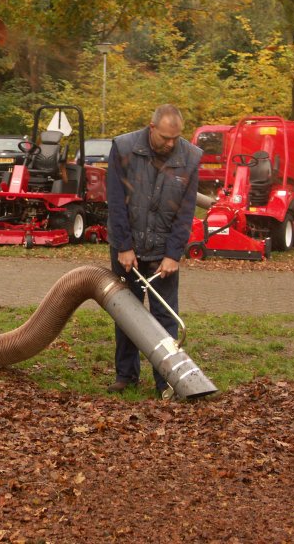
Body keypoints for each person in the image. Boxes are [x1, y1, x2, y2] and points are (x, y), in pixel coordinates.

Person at [105, 104, 201, 399]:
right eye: (165, 138)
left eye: (176, 138)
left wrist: (173, 254)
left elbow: (186, 212)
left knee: (165, 317)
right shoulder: (123, 148)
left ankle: (166, 380)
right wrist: (124, 247)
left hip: (163, 253)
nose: (171, 144)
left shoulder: (190, 157)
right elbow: (116, 202)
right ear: (151, 128)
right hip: (127, 249)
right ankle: (126, 375)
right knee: (127, 314)